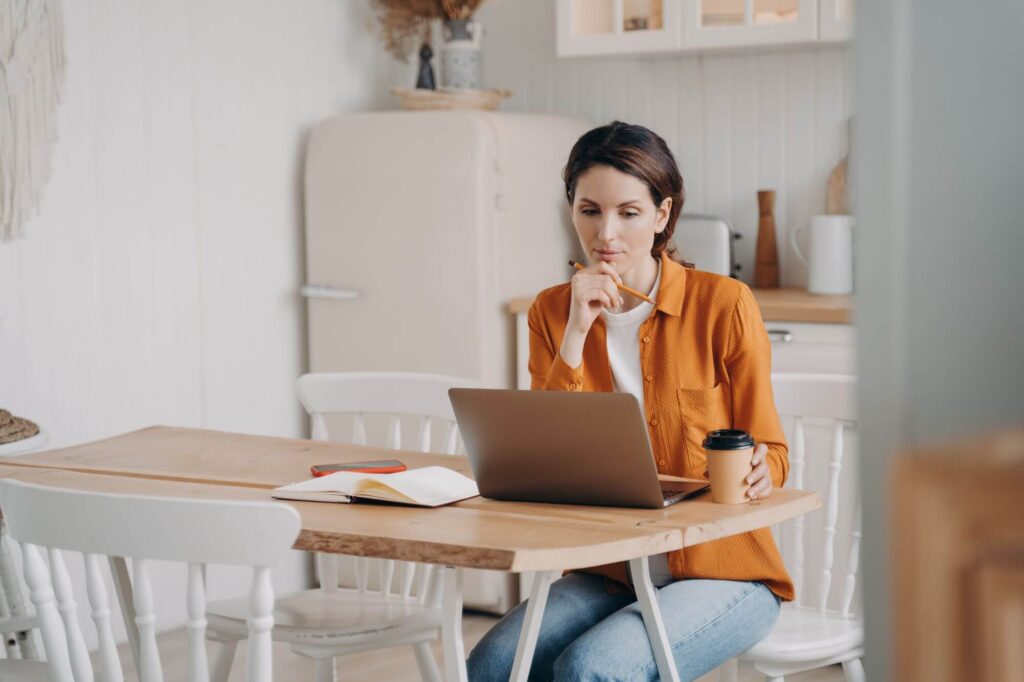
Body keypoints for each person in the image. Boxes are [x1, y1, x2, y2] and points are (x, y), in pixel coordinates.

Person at [466, 121, 793, 682]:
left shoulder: (724, 305)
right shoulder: (550, 312)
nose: (606, 233)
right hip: (609, 569)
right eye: (589, 210)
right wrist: (574, 335)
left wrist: (765, 466)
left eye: (629, 213)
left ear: (663, 215)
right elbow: (544, 459)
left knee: (589, 669)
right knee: (493, 663)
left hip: (725, 574)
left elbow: (775, 452)